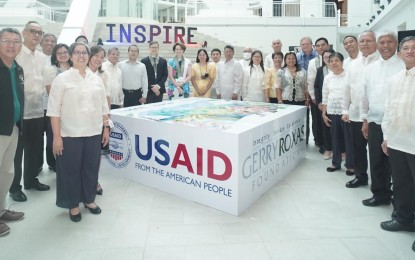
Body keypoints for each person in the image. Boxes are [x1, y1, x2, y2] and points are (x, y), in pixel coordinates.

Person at [47, 42, 110, 222]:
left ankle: (89, 199)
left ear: (89, 55)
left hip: (93, 132)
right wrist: (57, 137)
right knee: (70, 171)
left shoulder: (96, 78)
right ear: (71, 55)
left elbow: (103, 106)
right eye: (77, 52)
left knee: (90, 169)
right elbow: (53, 110)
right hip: (69, 134)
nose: (81, 56)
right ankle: (73, 204)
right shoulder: (62, 79)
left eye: (84, 52)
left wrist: (106, 127)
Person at [360, 31, 405, 207]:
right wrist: (365, 120)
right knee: (376, 160)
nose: (385, 45)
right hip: (375, 121)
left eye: (389, 42)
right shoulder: (370, 69)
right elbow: (365, 96)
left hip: (397, 123)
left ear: (396, 44)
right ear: (377, 45)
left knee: (397, 163)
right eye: (382, 42)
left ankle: (400, 198)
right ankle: (380, 194)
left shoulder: (404, 66)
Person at [379, 36, 415, 240]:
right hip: (397, 141)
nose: (410, 51)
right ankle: (403, 218)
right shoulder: (395, 80)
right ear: (400, 54)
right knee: (401, 183)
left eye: (414, 48)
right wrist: (386, 137)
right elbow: (389, 110)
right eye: (406, 48)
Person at [10, 21, 49, 203]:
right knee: (17, 153)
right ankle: (14, 188)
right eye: (33, 31)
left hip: (37, 110)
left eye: (39, 32)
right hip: (19, 112)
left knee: (35, 148)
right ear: (24, 33)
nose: (36, 35)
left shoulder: (42, 57)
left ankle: (31, 180)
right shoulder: (15, 54)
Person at [342, 30, 380, 188]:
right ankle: (360, 175)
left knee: (377, 153)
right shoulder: (352, 64)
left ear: (375, 43)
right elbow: (347, 88)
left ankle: (380, 184)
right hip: (356, 113)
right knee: (358, 148)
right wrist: (345, 109)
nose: (365, 43)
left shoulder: (381, 61)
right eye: (362, 41)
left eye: (368, 40)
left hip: (376, 115)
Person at [0, 27, 25, 237]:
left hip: (13, 127)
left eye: (16, 41)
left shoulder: (17, 69)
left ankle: (1, 210)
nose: (11, 45)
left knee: (7, 173)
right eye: (6, 40)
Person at [321, 52, 354, 175]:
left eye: (336, 61)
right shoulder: (328, 77)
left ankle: (351, 165)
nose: (334, 63)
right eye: (331, 61)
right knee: (335, 138)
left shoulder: (348, 76)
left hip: (346, 113)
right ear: (328, 63)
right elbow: (325, 96)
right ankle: (336, 163)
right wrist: (324, 113)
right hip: (332, 112)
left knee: (348, 139)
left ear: (342, 62)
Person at [43, 43, 72, 174]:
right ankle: (57, 166)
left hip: (73, 112)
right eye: (59, 53)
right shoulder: (50, 70)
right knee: (55, 139)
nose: (62, 55)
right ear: (55, 56)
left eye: (65, 52)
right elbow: (51, 94)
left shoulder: (75, 68)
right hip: (57, 112)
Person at [88, 45, 111, 196]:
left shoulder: (104, 75)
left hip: (98, 121)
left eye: (102, 57)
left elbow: (107, 99)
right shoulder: (80, 73)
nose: (98, 59)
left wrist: (106, 124)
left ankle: (94, 181)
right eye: (96, 55)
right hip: (80, 122)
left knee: (95, 155)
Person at [307, 37, 330, 152]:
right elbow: (311, 81)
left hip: (333, 97)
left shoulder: (336, 58)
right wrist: (314, 97)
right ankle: (321, 143)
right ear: (315, 48)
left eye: (323, 45)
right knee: (318, 121)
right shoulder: (312, 62)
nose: (321, 47)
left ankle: (333, 144)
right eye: (318, 46)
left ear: (328, 45)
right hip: (318, 97)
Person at [40, 33, 57, 172]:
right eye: (47, 40)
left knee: (51, 136)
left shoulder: (56, 61)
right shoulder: (37, 58)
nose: (49, 43)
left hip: (50, 106)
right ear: (41, 43)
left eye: (53, 41)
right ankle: (37, 165)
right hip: (34, 106)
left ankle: (52, 163)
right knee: (37, 139)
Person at [315, 49, 335, 161]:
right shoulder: (320, 70)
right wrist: (319, 102)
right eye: (325, 57)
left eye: (329, 57)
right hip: (324, 104)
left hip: (338, 105)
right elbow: (317, 87)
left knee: (338, 129)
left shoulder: (340, 70)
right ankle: (328, 149)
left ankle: (341, 150)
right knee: (326, 127)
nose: (327, 59)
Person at [296, 36, 317, 144]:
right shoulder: (297, 57)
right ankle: (304, 140)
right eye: (302, 44)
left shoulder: (317, 56)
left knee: (315, 117)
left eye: (307, 44)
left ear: (311, 45)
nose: (305, 46)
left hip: (315, 89)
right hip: (301, 90)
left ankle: (317, 140)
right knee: (303, 116)